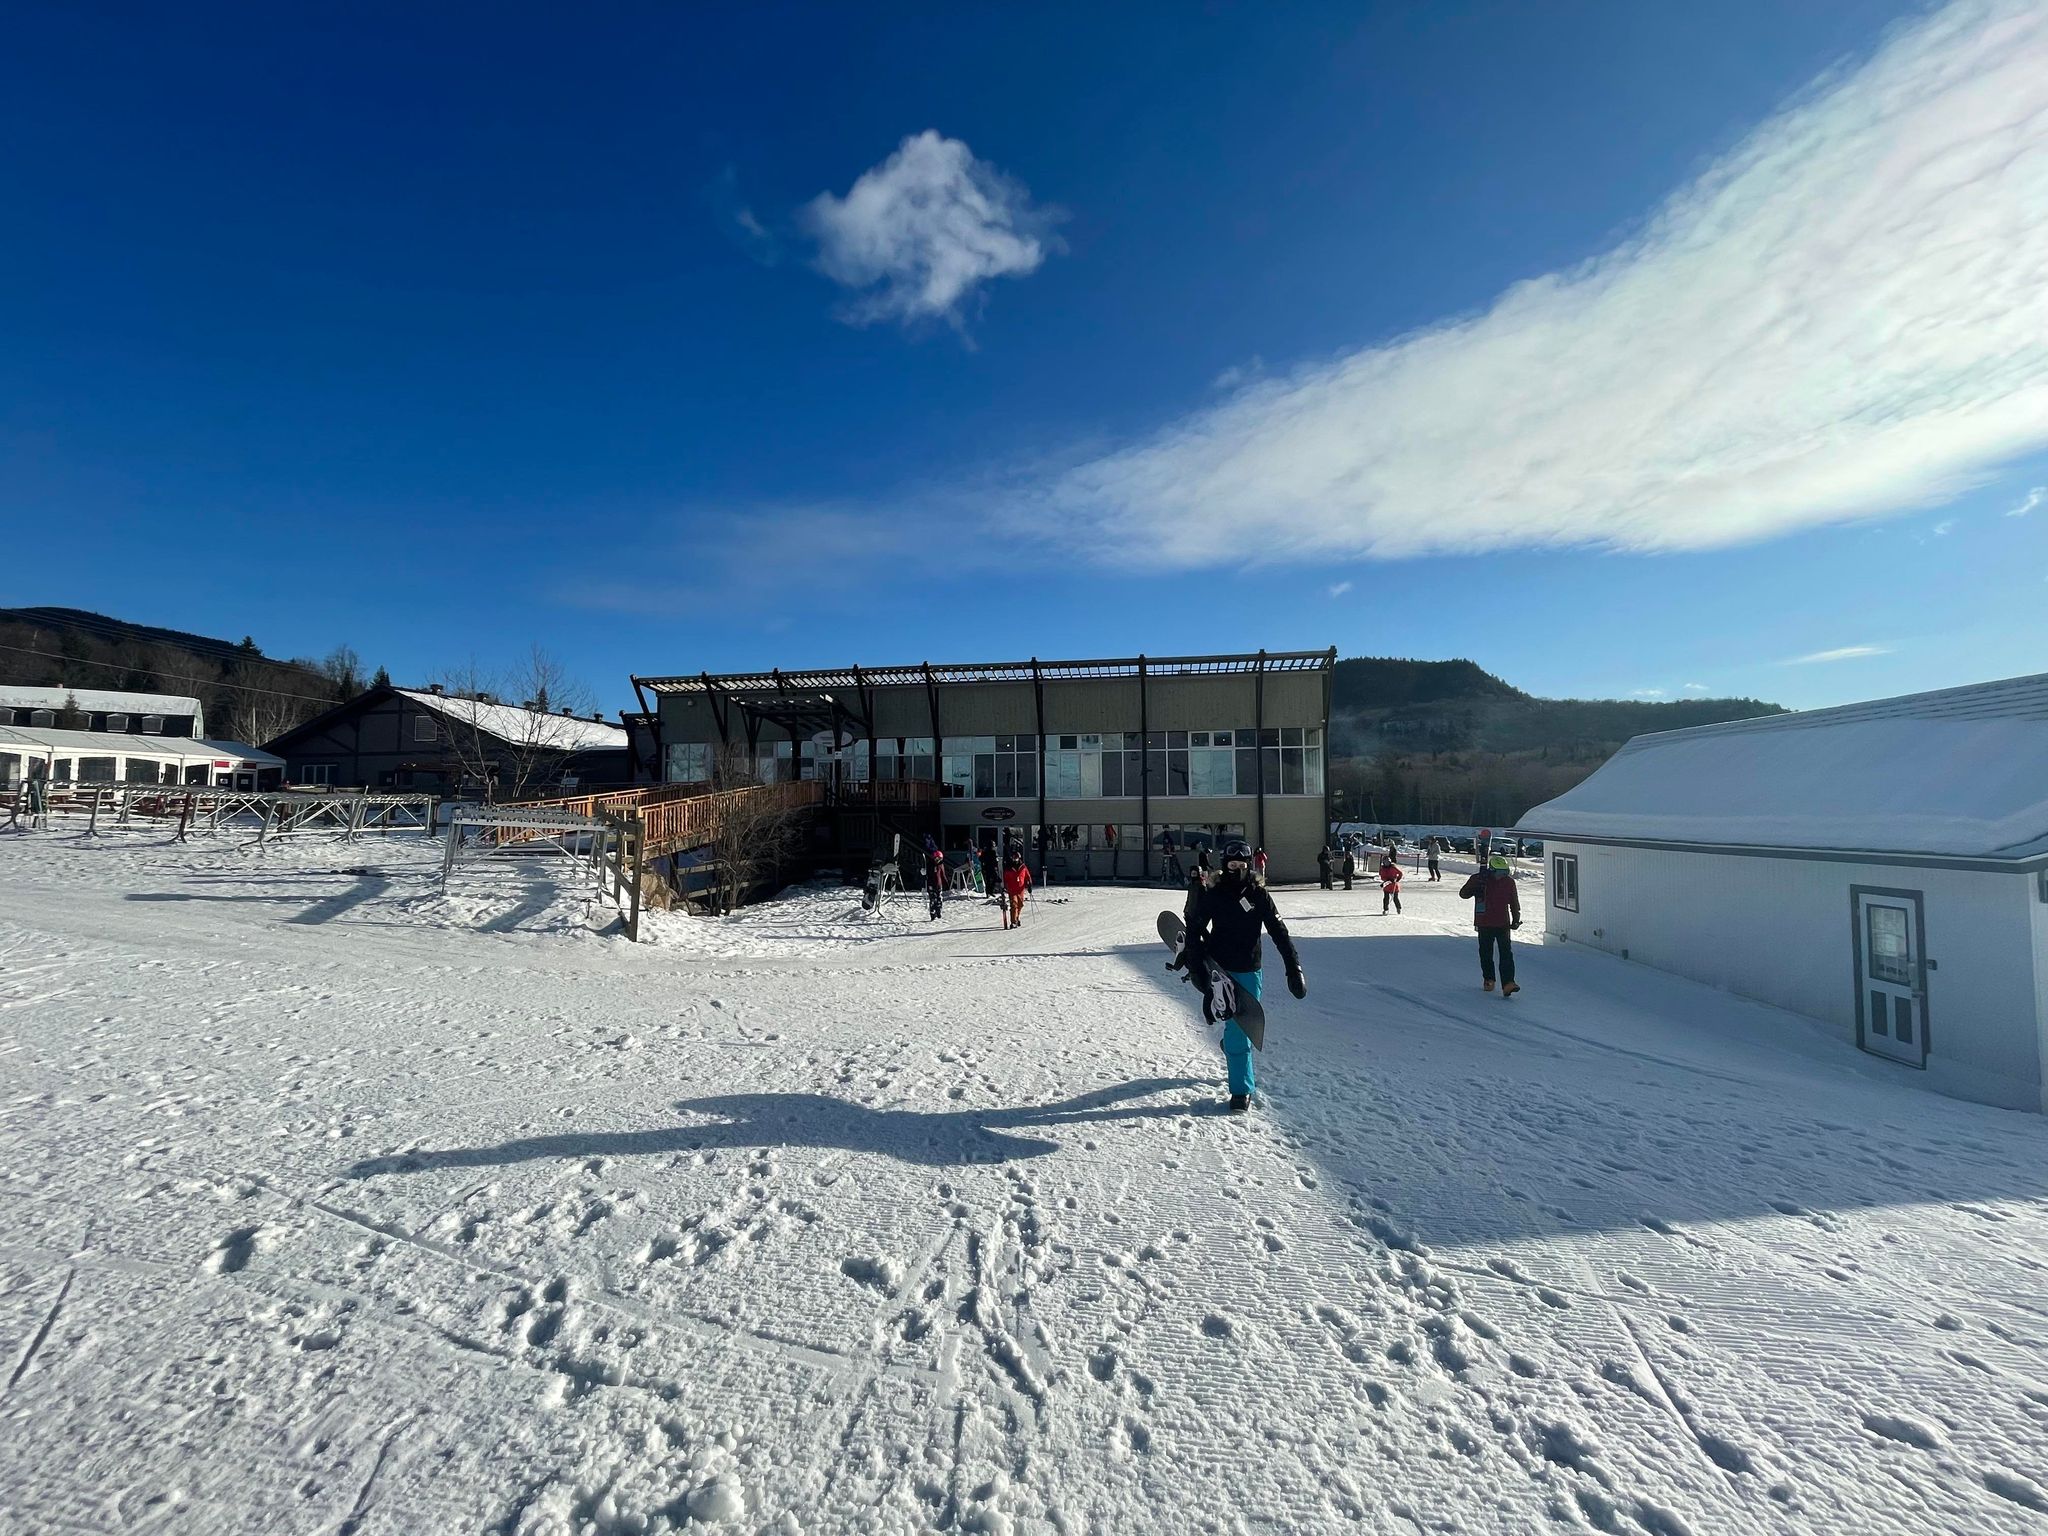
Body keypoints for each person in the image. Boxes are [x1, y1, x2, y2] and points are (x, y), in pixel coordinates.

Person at [1177, 840, 1305, 1113]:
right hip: (1218, 970)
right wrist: (1196, 963)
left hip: (1248, 970)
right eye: (1232, 865)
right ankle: (1237, 1073)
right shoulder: (1214, 894)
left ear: (1250, 866)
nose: (1237, 870)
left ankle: (1240, 1086)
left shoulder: (1259, 895)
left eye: (1242, 866)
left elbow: (1279, 932)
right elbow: (1195, 928)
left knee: (1239, 1031)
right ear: (1224, 866)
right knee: (1235, 1030)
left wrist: (1294, 968)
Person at [1459, 854, 1523, 995]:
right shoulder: (1479, 879)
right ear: (1491, 870)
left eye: (1505, 872)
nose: (1502, 876)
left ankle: (1508, 983)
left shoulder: (1509, 882)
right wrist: (1475, 888)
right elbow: (1463, 894)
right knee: (1486, 953)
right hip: (1484, 922)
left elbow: (1514, 902)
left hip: (1503, 923)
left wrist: (1516, 919)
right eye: (1500, 873)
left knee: (1506, 954)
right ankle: (1489, 979)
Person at [1001, 848, 1033, 930]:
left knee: (1020, 904)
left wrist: (1029, 884)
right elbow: (1005, 878)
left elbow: (1027, 876)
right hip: (1012, 889)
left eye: (1016, 857)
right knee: (1014, 905)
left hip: (1021, 889)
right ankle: (1013, 922)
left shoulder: (1023, 867)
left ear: (1019, 858)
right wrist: (1004, 886)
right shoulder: (1008, 868)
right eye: (1013, 857)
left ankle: (1017, 918)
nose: (1015, 859)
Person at [924, 836, 946, 921]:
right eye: (936, 858)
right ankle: (932, 913)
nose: (937, 860)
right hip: (931, 884)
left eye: (939, 859)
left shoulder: (941, 865)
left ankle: (939, 910)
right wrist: (924, 874)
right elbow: (927, 874)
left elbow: (942, 875)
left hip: (939, 884)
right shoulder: (930, 864)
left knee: (939, 899)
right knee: (932, 899)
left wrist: (946, 883)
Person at [1378, 851, 1404, 915]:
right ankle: (1385, 909)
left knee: (1395, 898)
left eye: (1388, 862)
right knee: (1386, 898)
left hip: (1394, 885)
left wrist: (1397, 879)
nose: (1386, 863)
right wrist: (1386, 880)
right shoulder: (1382, 869)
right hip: (1387, 885)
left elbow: (1400, 873)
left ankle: (1398, 908)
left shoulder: (1393, 867)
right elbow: (1382, 876)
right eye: (1385, 862)